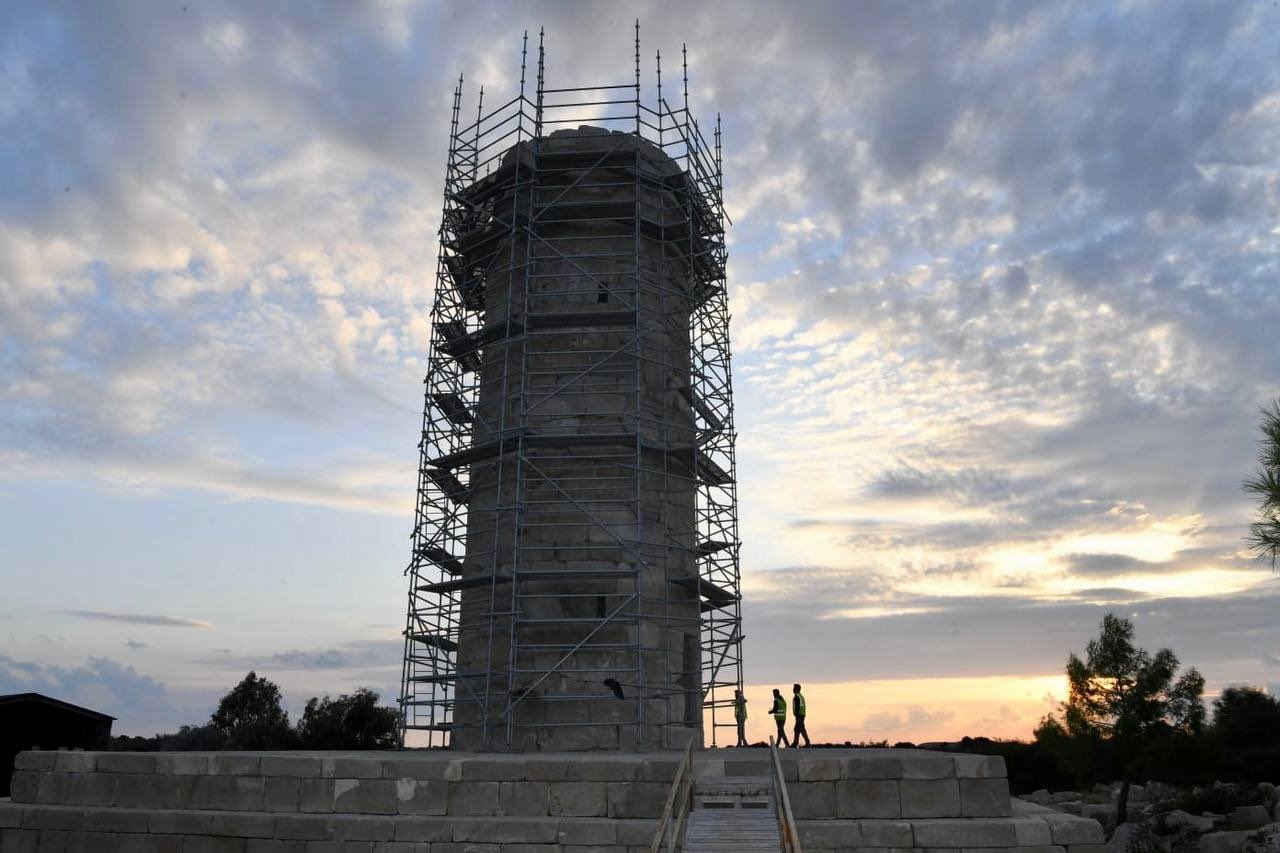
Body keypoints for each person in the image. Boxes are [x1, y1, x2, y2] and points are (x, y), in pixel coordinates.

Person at [791, 683, 811, 747]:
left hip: (799, 715)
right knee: (797, 729)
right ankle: (796, 743)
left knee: (800, 728)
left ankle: (807, 743)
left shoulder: (797, 696)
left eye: (794, 688)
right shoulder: (800, 696)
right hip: (801, 714)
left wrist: (796, 714)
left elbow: (797, 706)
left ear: (796, 689)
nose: (793, 690)